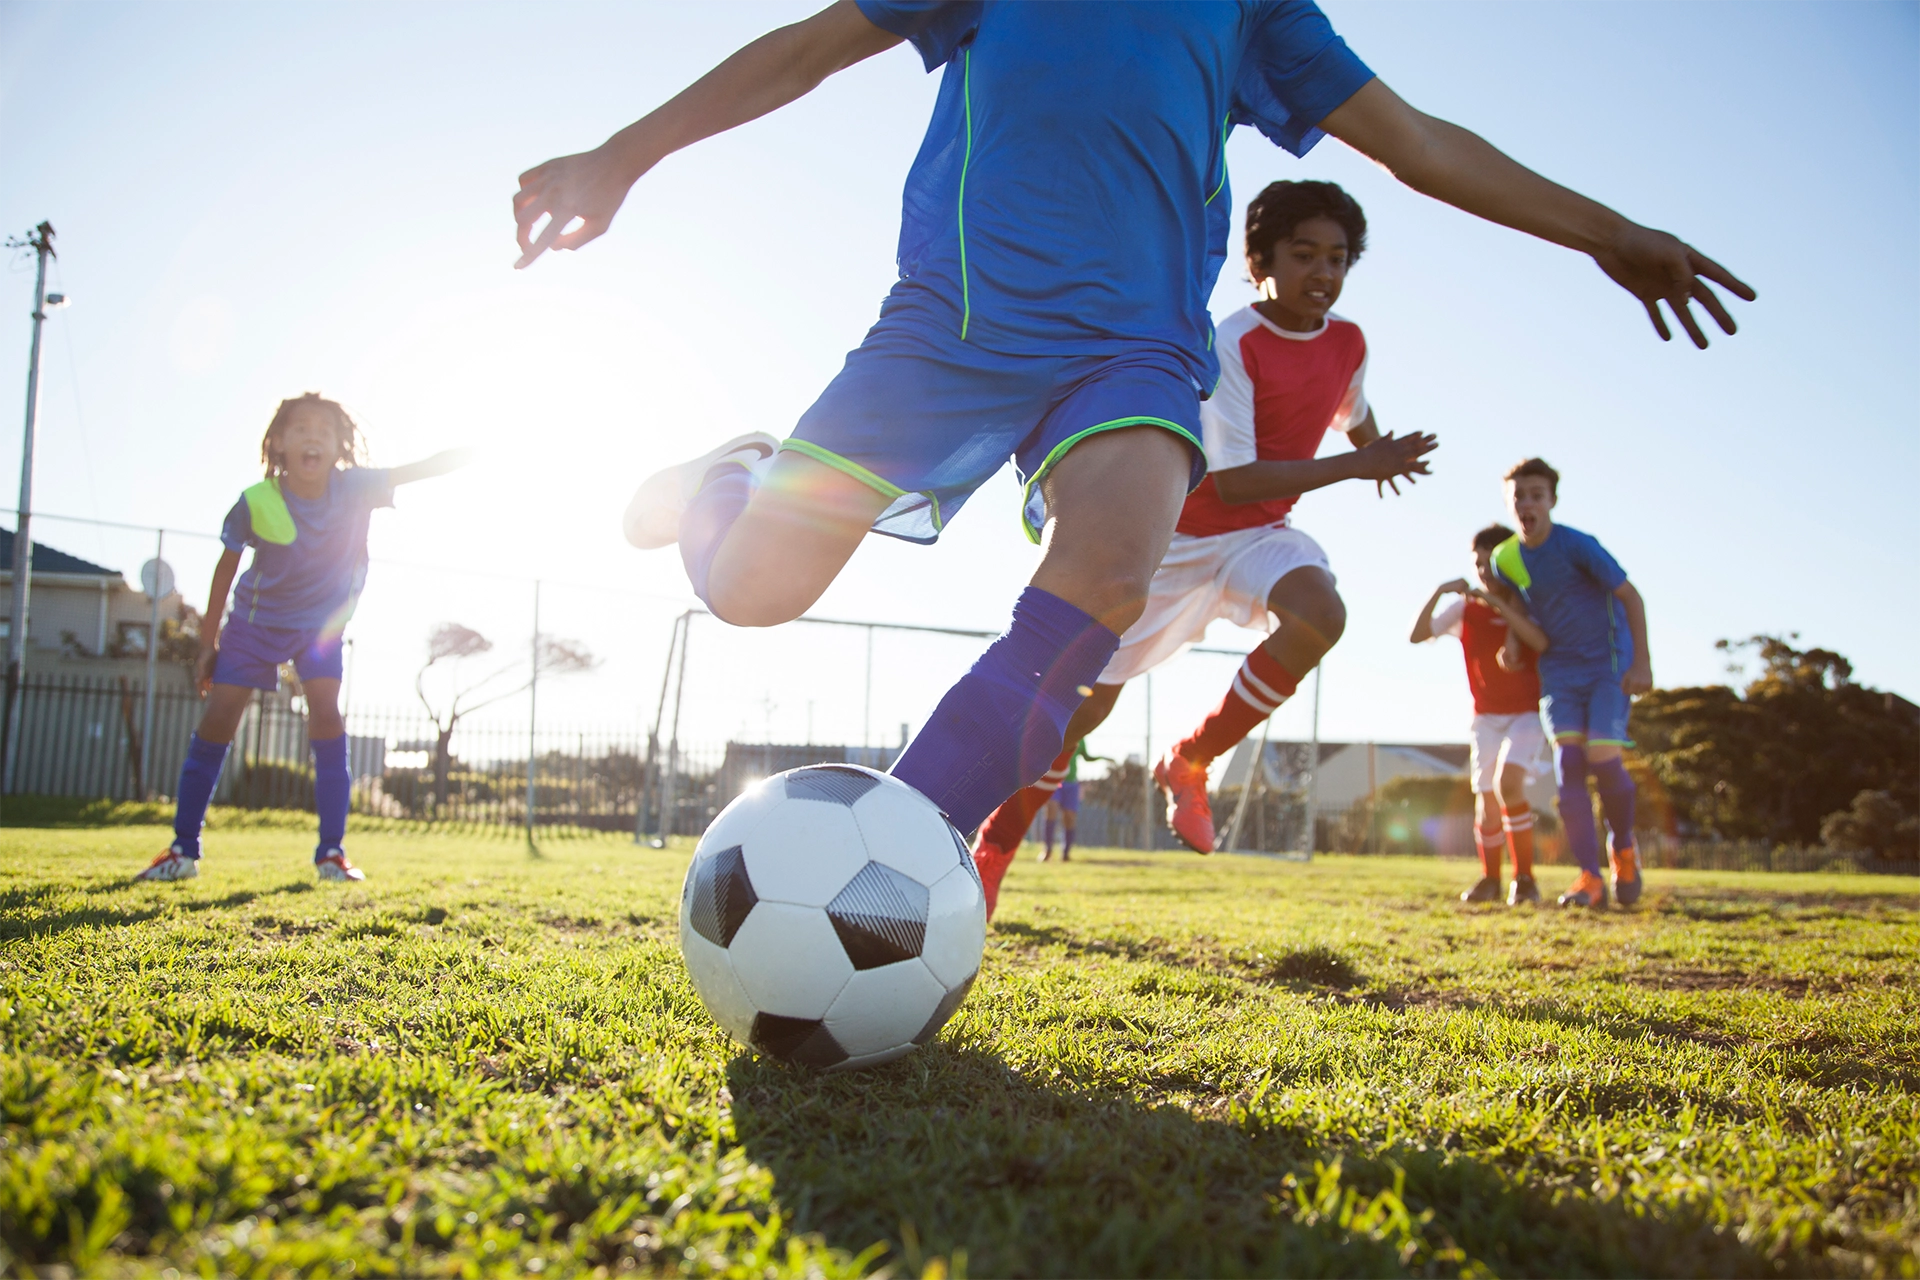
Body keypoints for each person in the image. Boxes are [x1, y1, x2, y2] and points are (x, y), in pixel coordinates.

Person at [512, 0, 1750, 907]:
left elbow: (1415, 143)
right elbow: (806, 49)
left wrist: (1606, 231)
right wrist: (622, 155)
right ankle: (737, 475)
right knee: (752, 592)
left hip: (1136, 347)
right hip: (950, 326)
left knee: (1106, 579)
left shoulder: (1257, 8)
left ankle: (893, 863)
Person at [971, 178, 1434, 909]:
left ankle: (1191, 760)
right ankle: (995, 848)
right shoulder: (1233, 342)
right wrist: (1360, 465)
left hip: (1257, 538)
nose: (1323, 273)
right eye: (1303, 254)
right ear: (1262, 264)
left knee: (1321, 613)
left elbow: (1353, 410)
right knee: (1083, 713)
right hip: (1177, 537)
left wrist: (1382, 450)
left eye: (1338, 259)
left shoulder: (1348, 341)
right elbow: (1241, 480)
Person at [136, 394, 468, 883]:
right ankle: (183, 849)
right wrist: (209, 642)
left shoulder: (356, 486)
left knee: (327, 716)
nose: (312, 436)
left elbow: (419, 468)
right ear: (278, 443)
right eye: (300, 428)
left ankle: (331, 853)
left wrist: (476, 452)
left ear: (338, 446)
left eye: (324, 430)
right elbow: (225, 571)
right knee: (220, 717)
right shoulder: (256, 500)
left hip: (320, 626)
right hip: (255, 623)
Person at [1494, 458, 1649, 908]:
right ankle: (1589, 877)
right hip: (1559, 670)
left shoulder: (1579, 546)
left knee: (1602, 754)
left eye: (1536, 496)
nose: (1527, 504)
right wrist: (1512, 642)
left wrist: (1643, 664)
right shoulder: (1507, 557)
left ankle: (1623, 849)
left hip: (1607, 664)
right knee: (1569, 765)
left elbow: (1630, 596)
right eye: (1519, 496)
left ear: (1552, 501)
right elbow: (1517, 600)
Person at [1410, 523, 1551, 906]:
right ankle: (1490, 879)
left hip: (1525, 714)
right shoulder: (1465, 608)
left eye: (1492, 563)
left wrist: (1507, 616)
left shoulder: (1528, 604)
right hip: (1485, 717)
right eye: (1479, 564)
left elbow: (1538, 642)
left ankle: (1525, 879)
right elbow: (1418, 635)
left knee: (1509, 784)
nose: (1485, 572)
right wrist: (1440, 591)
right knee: (1486, 796)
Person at [1035, 738, 1106, 863]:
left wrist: (1102, 758)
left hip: (1071, 784)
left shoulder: (1081, 738)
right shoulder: (1058, 732)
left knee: (1069, 817)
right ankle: (1047, 850)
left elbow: (1086, 757)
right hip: (1055, 781)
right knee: (1051, 811)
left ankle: (1066, 853)